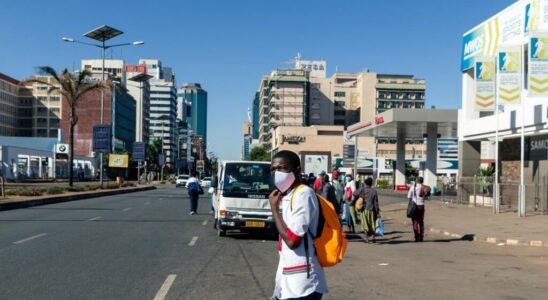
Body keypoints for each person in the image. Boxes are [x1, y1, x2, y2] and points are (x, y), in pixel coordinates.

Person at [268, 150, 328, 300]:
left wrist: (274, 209)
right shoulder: (289, 195)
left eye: (281, 168)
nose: (276, 173)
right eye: (273, 169)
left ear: (297, 170)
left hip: (303, 284)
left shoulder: (303, 194)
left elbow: (292, 241)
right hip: (289, 281)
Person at [358, 177, 380, 243]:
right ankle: (373, 237)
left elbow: (359, 198)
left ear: (365, 183)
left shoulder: (363, 190)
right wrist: (377, 211)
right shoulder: (374, 191)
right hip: (372, 210)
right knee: (372, 224)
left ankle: (366, 238)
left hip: (364, 209)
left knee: (365, 224)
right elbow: (376, 202)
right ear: (371, 183)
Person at [407, 176, 428, 242]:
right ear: (422, 181)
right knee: (421, 222)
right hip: (422, 206)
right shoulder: (425, 188)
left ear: (417, 180)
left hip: (414, 206)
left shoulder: (413, 187)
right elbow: (428, 198)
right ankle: (421, 237)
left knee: (415, 222)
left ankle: (416, 237)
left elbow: (408, 196)